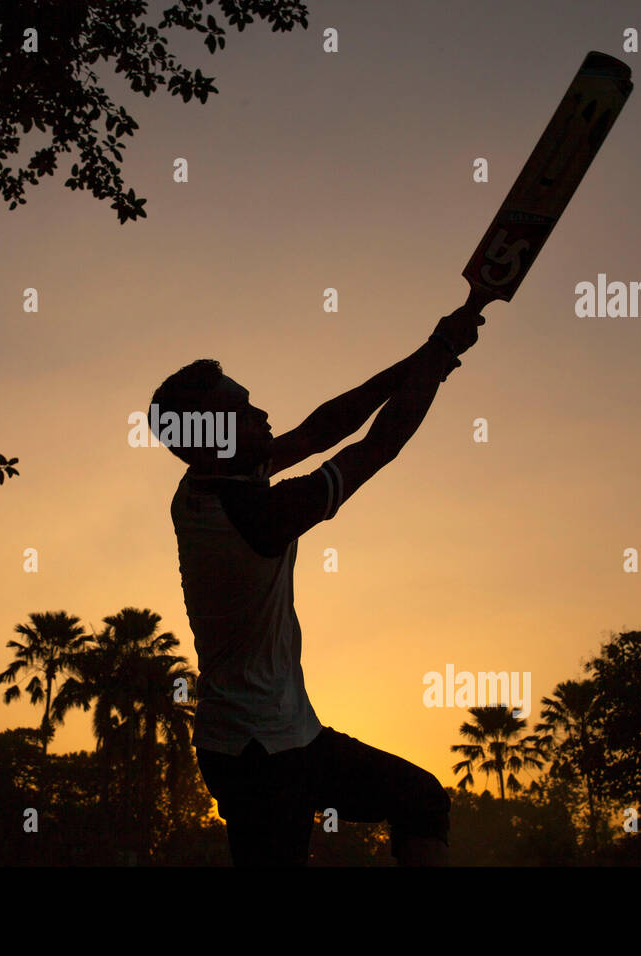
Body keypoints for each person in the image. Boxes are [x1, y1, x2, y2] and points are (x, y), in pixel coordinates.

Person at [151, 304, 484, 866]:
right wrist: (439, 356)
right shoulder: (257, 513)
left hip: (284, 738)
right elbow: (378, 445)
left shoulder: (209, 478)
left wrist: (430, 354)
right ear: (214, 433)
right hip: (259, 757)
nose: (261, 413)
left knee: (422, 799)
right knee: (418, 801)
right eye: (242, 407)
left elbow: (321, 429)